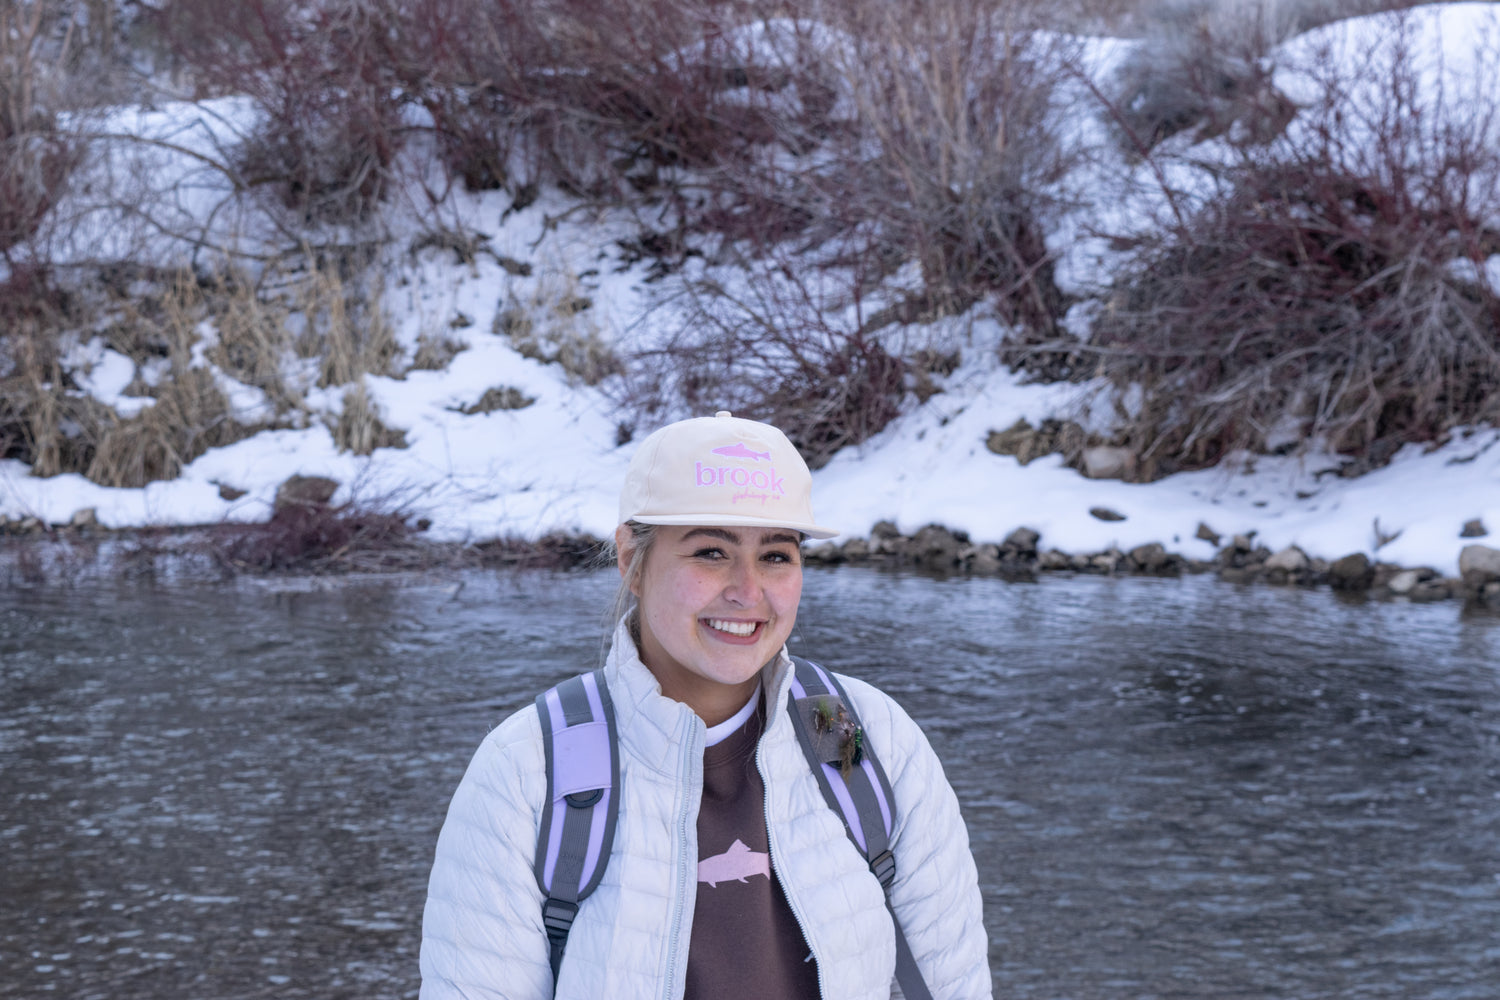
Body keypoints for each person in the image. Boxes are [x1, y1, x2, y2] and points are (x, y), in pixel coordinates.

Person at [419, 411, 991, 999]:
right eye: (711, 552)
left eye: (776, 555)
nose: (748, 591)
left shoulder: (863, 736)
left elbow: (955, 984)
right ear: (630, 561)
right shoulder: (528, 770)